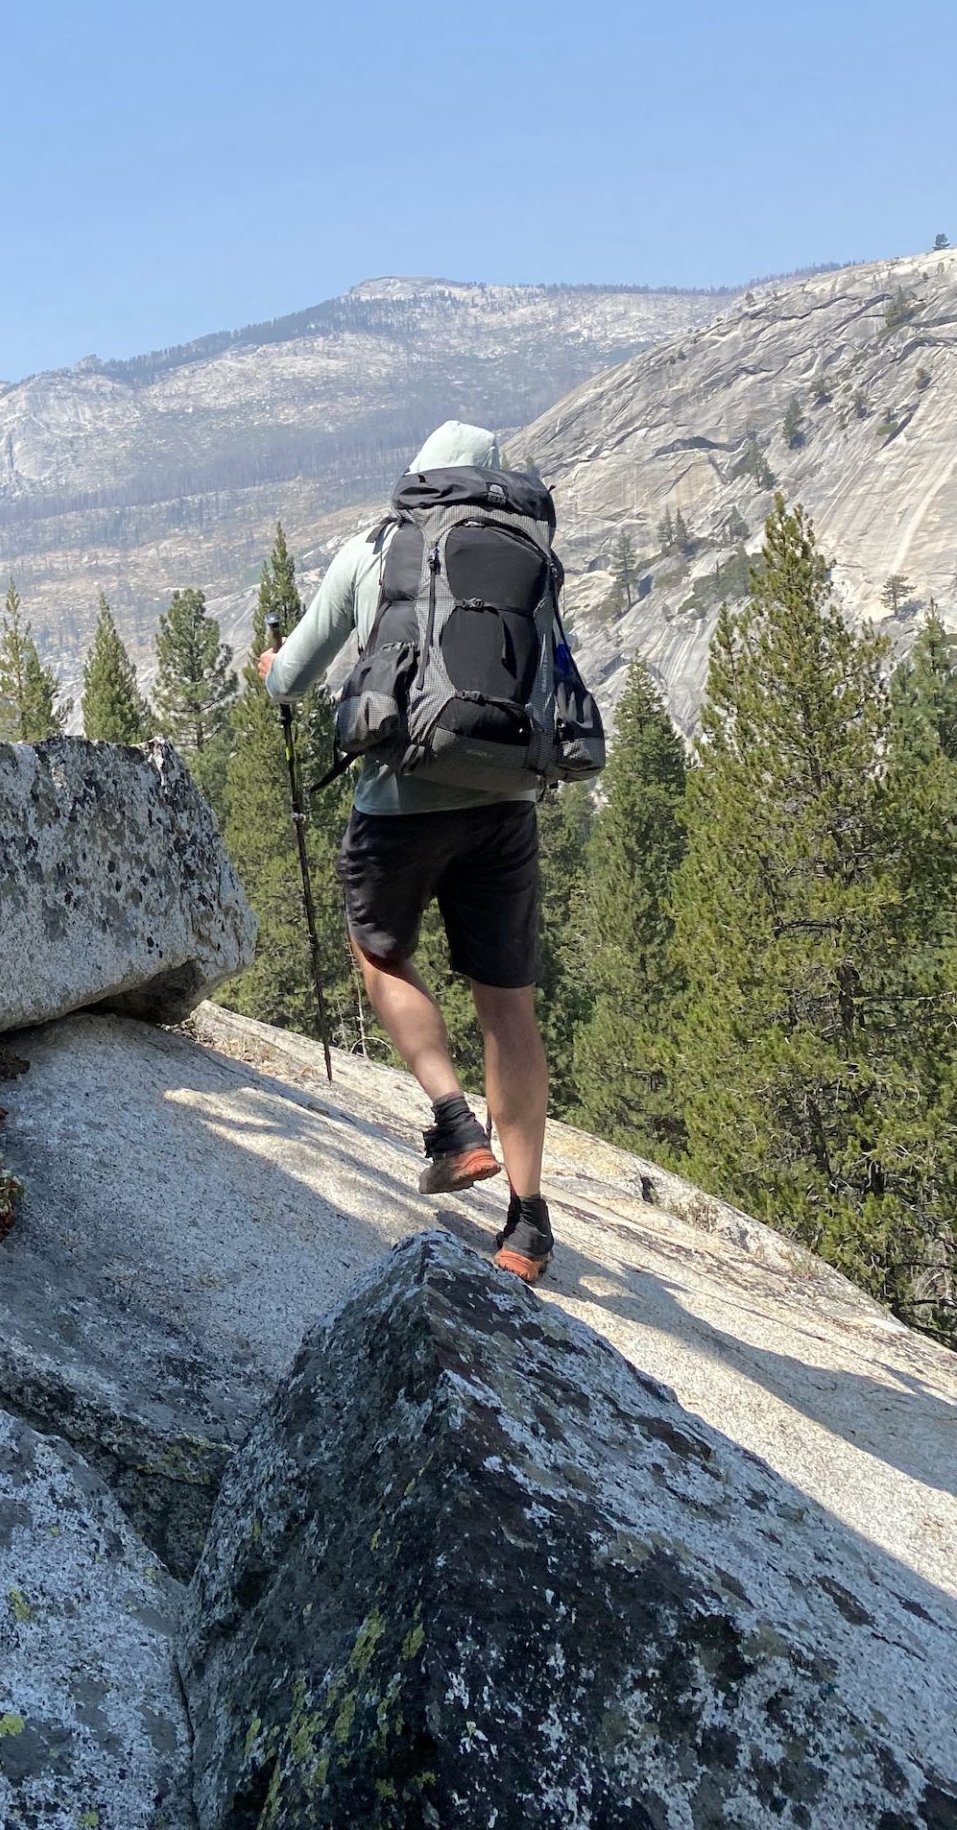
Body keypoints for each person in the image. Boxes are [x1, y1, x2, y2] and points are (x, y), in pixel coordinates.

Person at [257, 418, 555, 1282]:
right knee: (510, 1009)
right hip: (507, 803)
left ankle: (455, 1124)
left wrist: (273, 666)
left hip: (400, 803)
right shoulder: (530, 552)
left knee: (382, 955)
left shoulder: (380, 546)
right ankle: (529, 1227)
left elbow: (295, 673)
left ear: (420, 475)